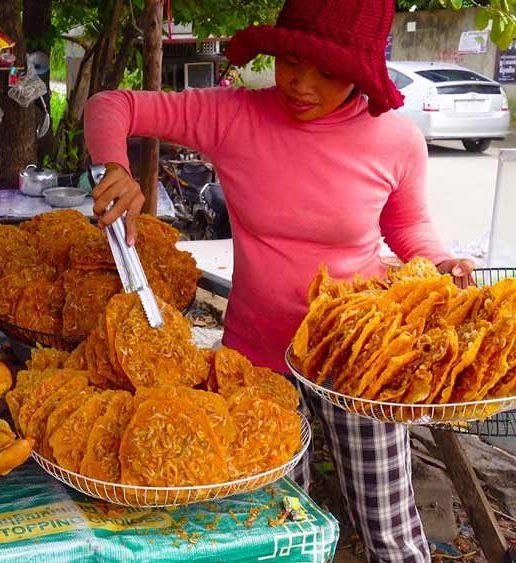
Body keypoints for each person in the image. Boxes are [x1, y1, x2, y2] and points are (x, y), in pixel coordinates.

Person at [84, 1, 474, 562]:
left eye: (327, 71)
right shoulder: (233, 116)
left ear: (361, 74)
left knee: (390, 527)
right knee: (273, 526)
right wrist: (113, 167)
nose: (302, 85)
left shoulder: (396, 139)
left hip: (359, 365)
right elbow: (111, 104)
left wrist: (440, 265)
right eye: (291, 61)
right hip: (256, 362)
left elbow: (408, 224)